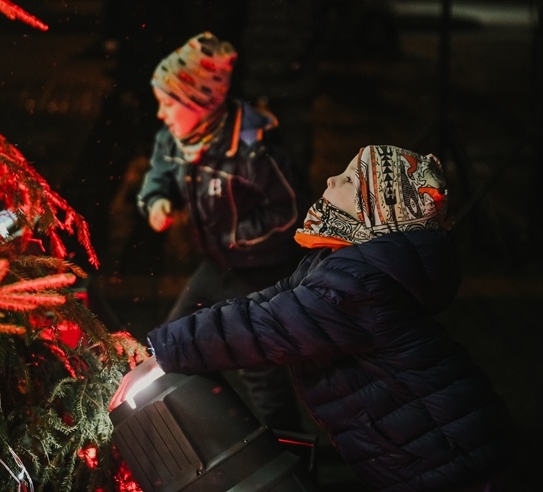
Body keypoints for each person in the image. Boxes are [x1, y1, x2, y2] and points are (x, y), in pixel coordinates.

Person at [114, 145, 516, 491]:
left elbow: (264, 327)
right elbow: (268, 303)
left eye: (346, 180)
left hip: (449, 458)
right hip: (433, 448)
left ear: (373, 209)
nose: (329, 179)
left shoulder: (360, 285)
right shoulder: (341, 264)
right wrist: (166, 347)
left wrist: (165, 353)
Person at [135, 32, 312, 432]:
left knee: (258, 368)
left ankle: (290, 455)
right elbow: (158, 178)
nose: (161, 114)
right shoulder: (173, 138)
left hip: (259, 274)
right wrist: (157, 201)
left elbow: (290, 211)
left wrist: (234, 236)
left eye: (168, 103)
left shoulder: (253, 150)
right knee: (170, 344)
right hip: (215, 266)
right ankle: (216, 431)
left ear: (201, 101)